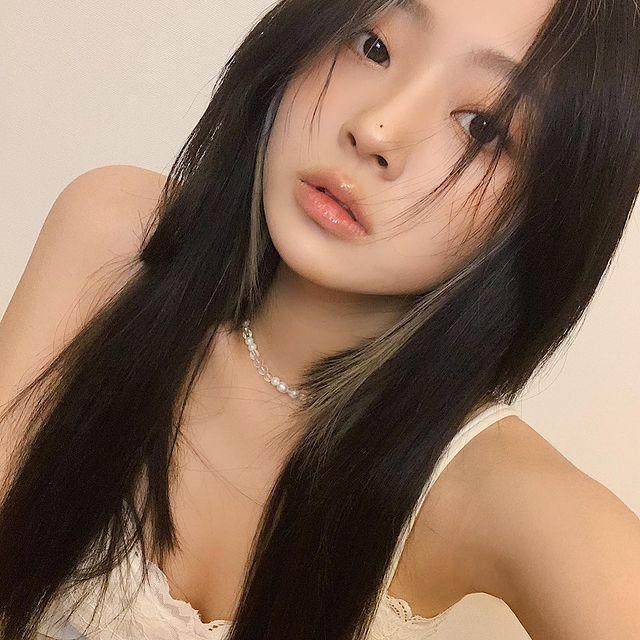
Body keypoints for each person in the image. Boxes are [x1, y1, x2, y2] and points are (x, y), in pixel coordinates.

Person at [0, 0, 639, 639]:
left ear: (553, 206)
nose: (377, 129)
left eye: (482, 126)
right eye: (373, 46)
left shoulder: (494, 491)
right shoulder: (119, 239)